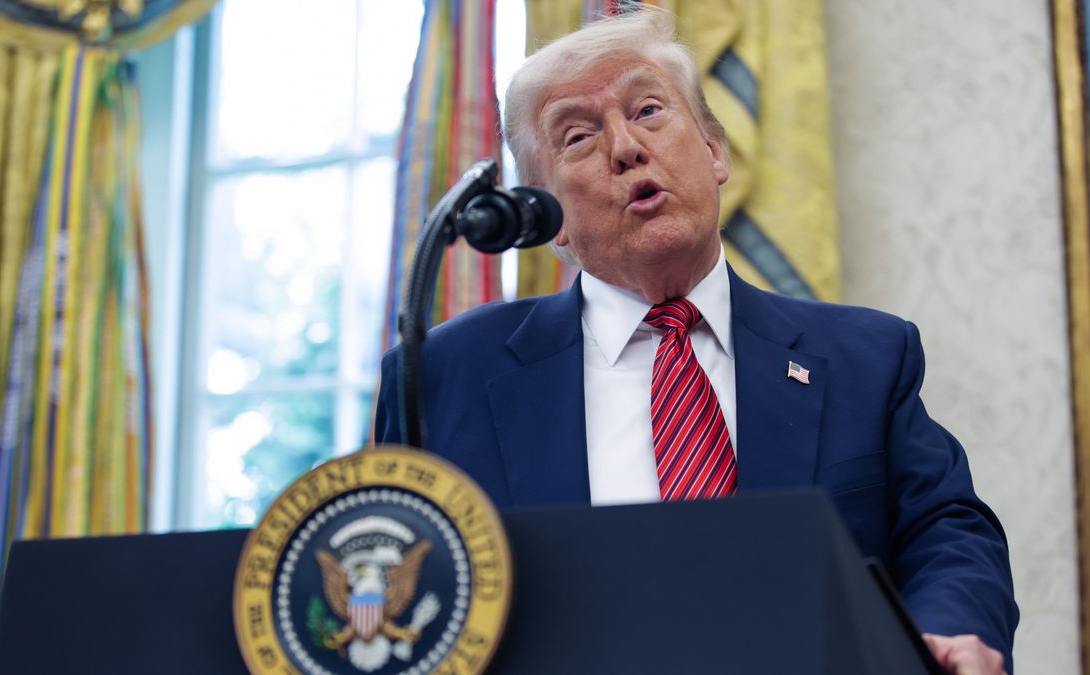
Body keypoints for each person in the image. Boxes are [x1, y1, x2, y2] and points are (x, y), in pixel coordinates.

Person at [374, 9, 1017, 674]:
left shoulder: (866, 358)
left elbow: (945, 530)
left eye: (649, 109)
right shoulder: (443, 377)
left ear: (715, 152)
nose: (625, 147)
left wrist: (949, 633)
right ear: (548, 215)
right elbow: (392, 575)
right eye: (577, 136)